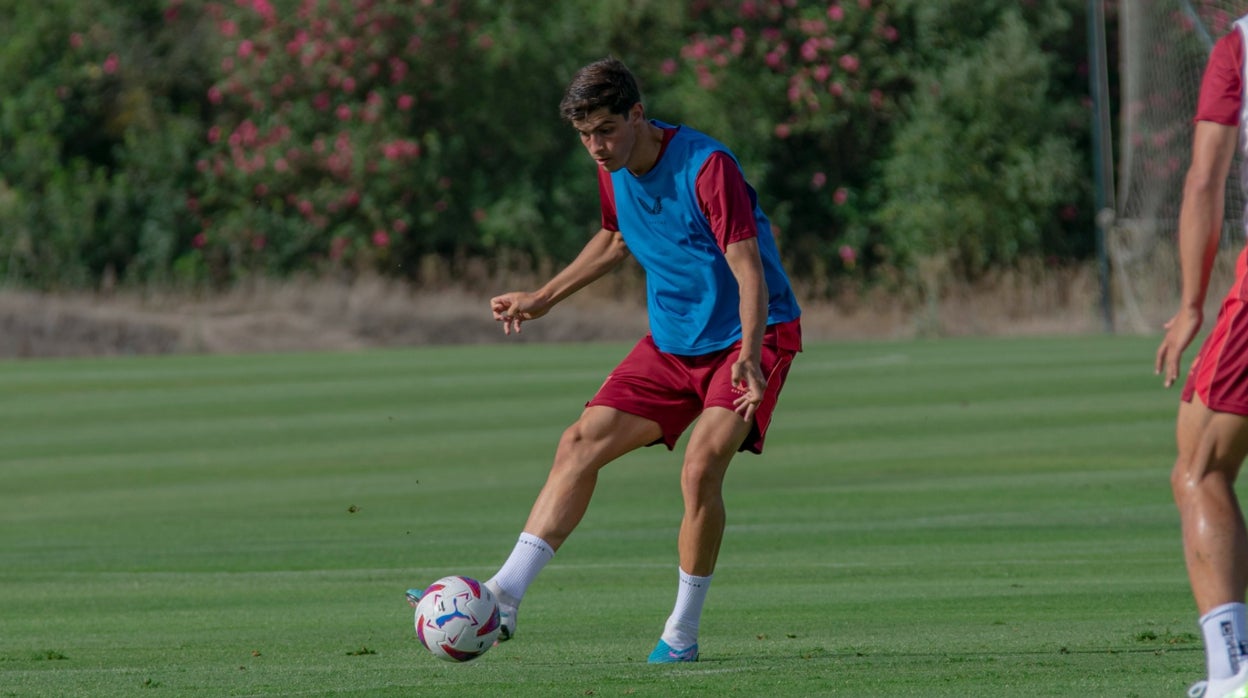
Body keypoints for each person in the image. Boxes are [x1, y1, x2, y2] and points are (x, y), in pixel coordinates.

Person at [475, 56, 801, 663]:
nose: (595, 147)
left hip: (748, 340)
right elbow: (616, 236)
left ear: (637, 114)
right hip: (673, 342)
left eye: (605, 129)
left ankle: (681, 633)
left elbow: (747, 268)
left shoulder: (708, 167)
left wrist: (752, 355)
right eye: (584, 136)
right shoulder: (614, 165)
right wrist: (543, 298)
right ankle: (505, 595)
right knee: (580, 441)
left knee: (700, 468)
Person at [1155, 17, 1248, 698]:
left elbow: (1204, 181)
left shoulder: (1240, 45)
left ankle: (1232, 674)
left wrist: (1191, 301)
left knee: (1200, 466)